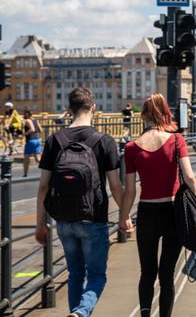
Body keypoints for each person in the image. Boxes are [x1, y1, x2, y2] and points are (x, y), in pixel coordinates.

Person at [35, 87, 123, 317]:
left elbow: (43, 186)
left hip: (63, 219)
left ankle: (76, 312)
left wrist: (40, 224)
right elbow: (115, 186)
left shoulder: (54, 140)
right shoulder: (104, 141)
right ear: (93, 107)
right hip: (94, 218)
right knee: (96, 275)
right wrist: (124, 218)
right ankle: (81, 313)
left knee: (75, 274)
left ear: (68, 110)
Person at [119, 93, 196, 317]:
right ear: (166, 114)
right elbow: (190, 177)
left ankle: (145, 314)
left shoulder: (132, 147)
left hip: (147, 212)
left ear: (143, 116)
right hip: (172, 211)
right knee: (167, 273)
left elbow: (131, 190)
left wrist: (124, 217)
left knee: (147, 272)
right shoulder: (176, 140)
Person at [22, 110, 43, 177]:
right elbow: (41, 130)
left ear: (27, 114)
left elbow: (32, 129)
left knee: (26, 158)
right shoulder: (36, 120)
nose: (23, 115)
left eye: (24, 113)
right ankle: (49, 170)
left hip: (30, 141)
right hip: (37, 140)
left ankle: (25, 174)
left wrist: (24, 134)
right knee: (38, 159)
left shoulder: (28, 120)